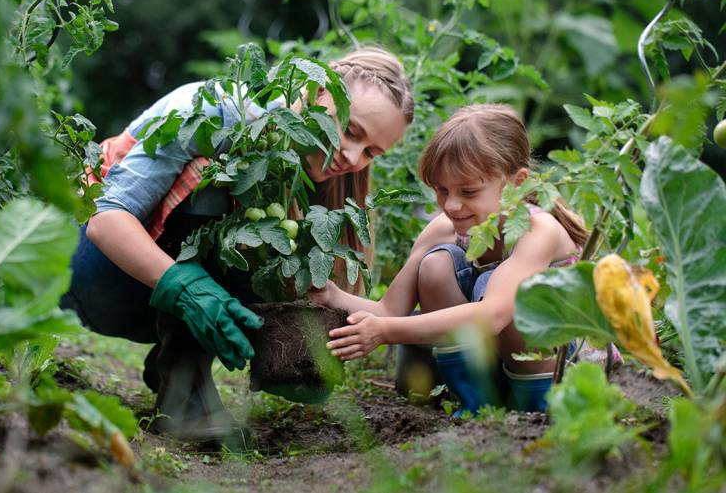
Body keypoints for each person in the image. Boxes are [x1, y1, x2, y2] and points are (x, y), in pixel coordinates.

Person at [59, 47, 414, 441]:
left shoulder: (315, 170)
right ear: (317, 91)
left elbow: (325, 292)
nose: (352, 156)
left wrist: (308, 339)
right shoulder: (220, 114)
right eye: (350, 131)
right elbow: (105, 220)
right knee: (217, 177)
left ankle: (177, 372)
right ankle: (187, 398)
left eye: (371, 152)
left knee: (270, 233)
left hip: (148, 300)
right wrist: (185, 287)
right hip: (87, 273)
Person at [311, 103, 589, 414]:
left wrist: (385, 331)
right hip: (493, 365)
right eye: (442, 190)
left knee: (518, 299)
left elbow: (494, 314)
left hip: (559, 373)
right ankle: (475, 405)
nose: (452, 205)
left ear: (517, 182)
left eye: (468, 192)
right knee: (434, 266)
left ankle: (535, 410)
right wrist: (331, 295)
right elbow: (389, 309)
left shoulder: (539, 230)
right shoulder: (445, 229)